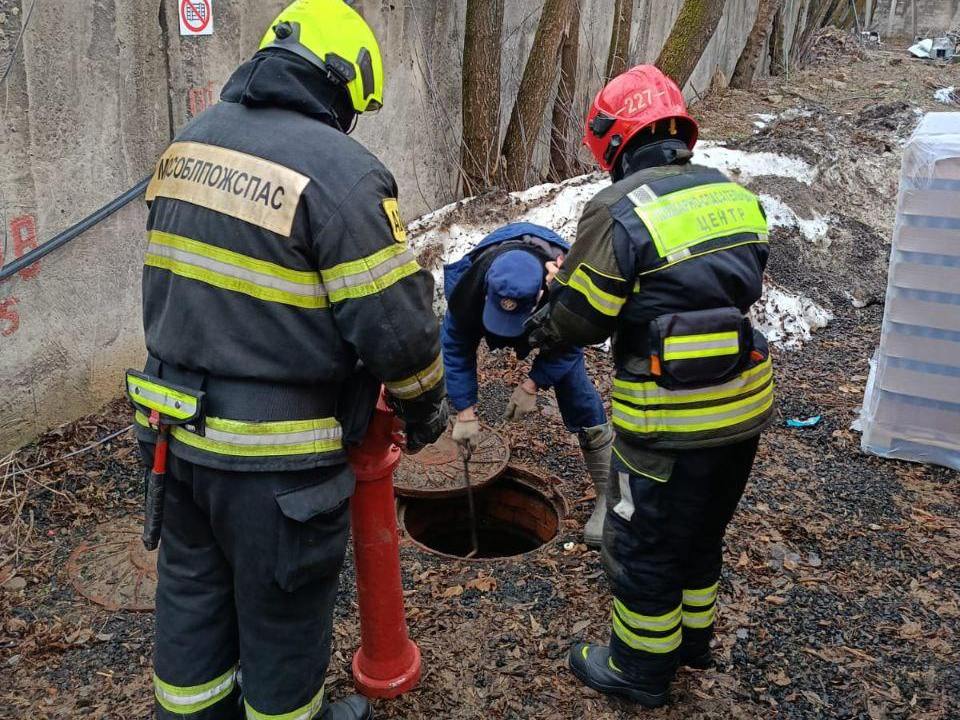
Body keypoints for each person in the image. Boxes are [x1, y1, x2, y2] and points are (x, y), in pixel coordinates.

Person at [128, 2, 447, 719]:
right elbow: (397, 331)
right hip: (275, 464)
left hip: (170, 434)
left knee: (192, 601)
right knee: (282, 625)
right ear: (341, 84)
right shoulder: (340, 170)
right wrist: (426, 408)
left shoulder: (190, 143)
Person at [528, 66, 774, 706]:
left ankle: (638, 669)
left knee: (640, 543)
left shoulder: (618, 211)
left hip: (668, 419)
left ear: (613, 139)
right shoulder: (732, 195)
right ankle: (692, 642)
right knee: (702, 531)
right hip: (744, 408)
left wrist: (552, 303)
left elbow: (581, 319)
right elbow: (736, 281)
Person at [442, 222, 612, 546]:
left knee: (574, 386)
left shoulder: (565, 283)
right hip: (499, 288)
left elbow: (571, 345)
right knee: (448, 363)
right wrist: (464, 410)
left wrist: (533, 383)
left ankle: (610, 493)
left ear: (538, 295)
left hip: (553, 317)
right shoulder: (468, 286)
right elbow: (455, 347)